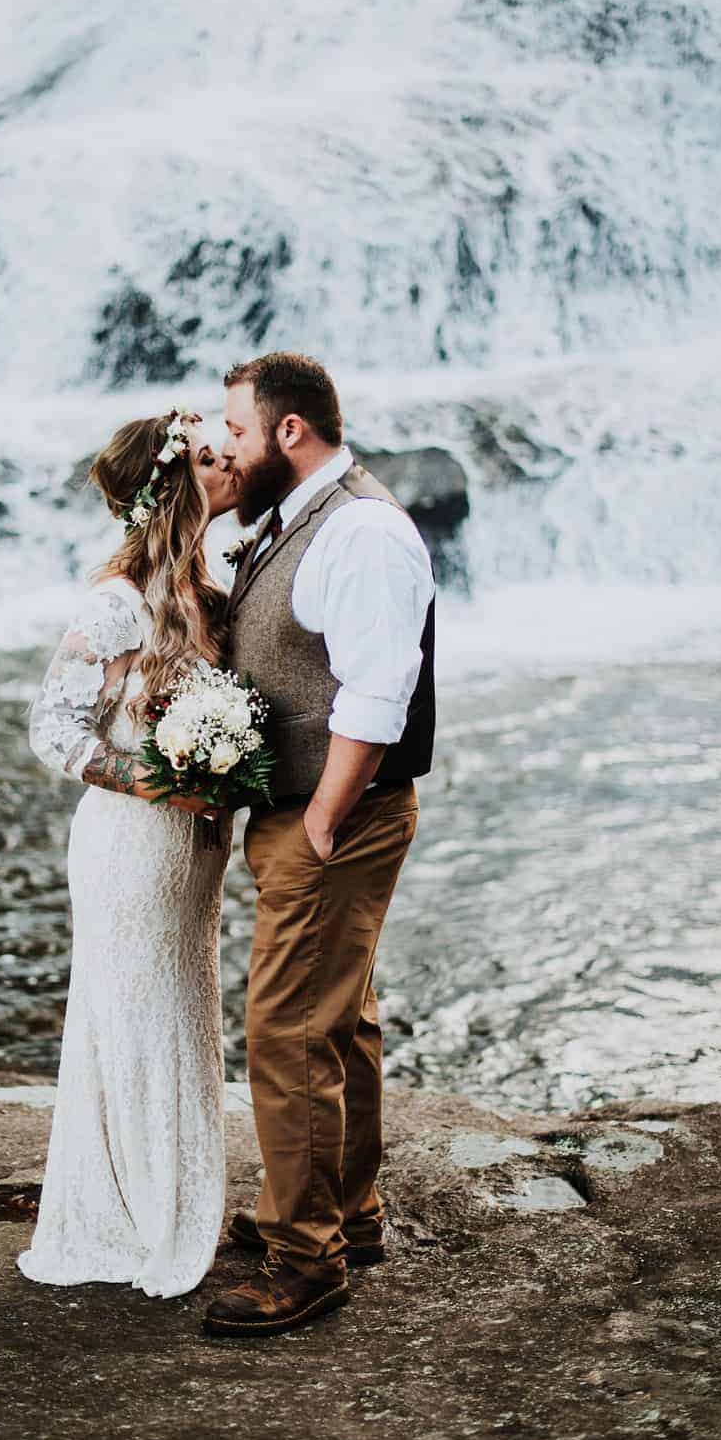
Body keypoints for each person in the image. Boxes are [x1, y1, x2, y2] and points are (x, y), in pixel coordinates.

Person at [202, 351, 436, 1338]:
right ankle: (349, 1211)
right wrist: (212, 512)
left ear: (290, 431)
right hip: (307, 814)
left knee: (287, 1032)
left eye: (241, 433)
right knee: (340, 1021)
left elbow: (377, 692)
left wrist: (325, 824)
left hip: (333, 818)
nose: (228, 448)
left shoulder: (366, 532)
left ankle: (307, 1262)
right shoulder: (290, 518)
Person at [16, 408, 238, 1299]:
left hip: (191, 851)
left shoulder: (203, 588)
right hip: (133, 846)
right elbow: (52, 730)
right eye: (216, 458)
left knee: (181, 1013)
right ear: (181, 483)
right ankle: (142, 1211)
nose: (233, 464)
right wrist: (154, 780)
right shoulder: (118, 603)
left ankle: (172, 1194)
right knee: (136, 1018)